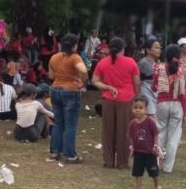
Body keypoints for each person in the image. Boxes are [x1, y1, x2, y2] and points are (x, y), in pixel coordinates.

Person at [92, 37, 140, 169]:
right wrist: (136, 96)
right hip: (126, 100)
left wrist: (107, 87)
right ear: (122, 49)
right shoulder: (131, 62)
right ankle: (122, 162)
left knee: (108, 130)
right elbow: (136, 82)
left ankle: (108, 161)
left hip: (108, 99)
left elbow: (95, 80)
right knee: (124, 131)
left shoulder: (103, 62)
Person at [48, 33, 87, 163]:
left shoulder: (54, 57)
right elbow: (84, 70)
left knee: (58, 123)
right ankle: (69, 154)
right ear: (75, 46)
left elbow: (51, 76)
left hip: (55, 90)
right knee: (70, 124)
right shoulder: (75, 57)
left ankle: (55, 151)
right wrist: (82, 82)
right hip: (70, 91)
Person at [153, 44, 186, 176]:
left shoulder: (159, 68)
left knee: (160, 134)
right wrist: (185, 113)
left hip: (162, 104)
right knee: (173, 138)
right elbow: (184, 95)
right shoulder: (184, 71)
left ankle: (155, 163)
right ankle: (168, 168)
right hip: (177, 105)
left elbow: (153, 87)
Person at [128, 97, 162, 189]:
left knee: (153, 171)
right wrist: (132, 146)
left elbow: (155, 134)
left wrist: (155, 145)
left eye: (141, 108)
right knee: (137, 171)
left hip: (150, 152)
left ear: (146, 109)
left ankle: (157, 187)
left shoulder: (150, 121)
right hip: (138, 152)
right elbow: (131, 136)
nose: (138, 110)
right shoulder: (132, 123)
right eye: (135, 107)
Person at [137, 38, 162, 116]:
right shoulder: (143, 62)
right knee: (149, 115)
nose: (159, 50)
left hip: (155, 92)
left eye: (160, 48)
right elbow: (138, 79)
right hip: (146, 91)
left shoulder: (157, 62)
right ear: (148, 50)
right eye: (156, 47)